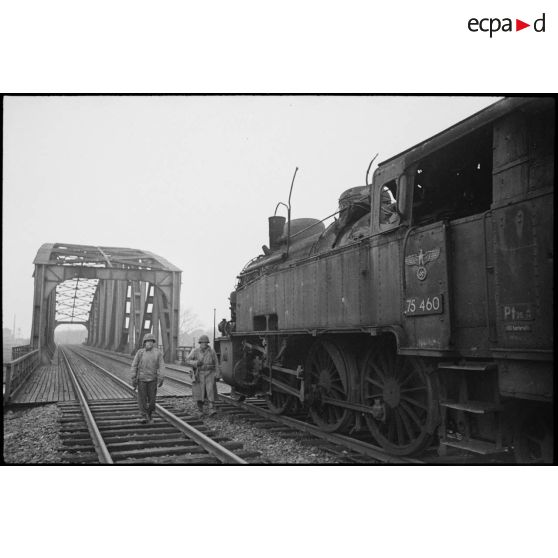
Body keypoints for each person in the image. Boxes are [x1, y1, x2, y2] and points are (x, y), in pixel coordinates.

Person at [130, 333, 165, 424]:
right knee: (142, 399)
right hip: (142, 380)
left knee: (152, 399)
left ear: (153, 343)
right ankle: (144, 415)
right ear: (144, 342)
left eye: (151, 341)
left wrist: (161, 377)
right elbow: (134, 365)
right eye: (147, 341)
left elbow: (161, 366)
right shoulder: (140, 352)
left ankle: (149, 414)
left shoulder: (158, 353)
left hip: (153, 380)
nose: (149, 343)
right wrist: (133, 377)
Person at [186, 334, 220, 416]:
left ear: (208, 343)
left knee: (210, 391)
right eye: (202, 342)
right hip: (199, 374)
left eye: (205, 342)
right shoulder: (195, 351)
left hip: (210, 373)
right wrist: (196, 363)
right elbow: (187, 360)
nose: (204, 344)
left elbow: (216, 363)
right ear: (200, 343)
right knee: (199, 392)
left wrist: (218, 374)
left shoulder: (212, 351)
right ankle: (200, 409)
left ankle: (211, 409)